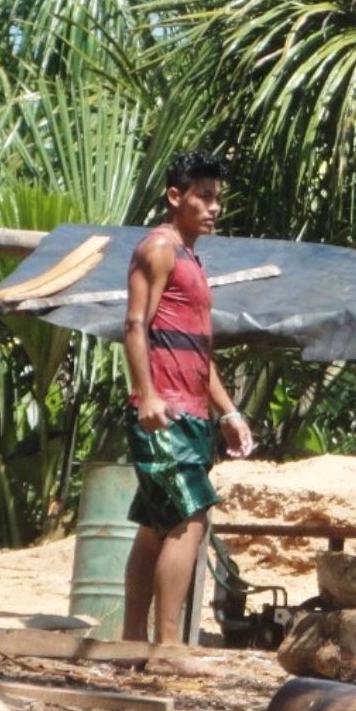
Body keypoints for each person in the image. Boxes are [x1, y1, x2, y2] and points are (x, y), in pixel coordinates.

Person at [122, 151, 255, 645]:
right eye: (202, 196)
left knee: (156, 526)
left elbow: (199, 350)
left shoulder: (191, 258)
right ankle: (169, 647)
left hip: (193, 411)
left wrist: (230, 412)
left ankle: (131, 644)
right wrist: (148, 397)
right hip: (164, 412)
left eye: (217, 198)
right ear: (175, 197)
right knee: (189, 518)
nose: (213, 207)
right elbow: (135, 325)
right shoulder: (157, 248)